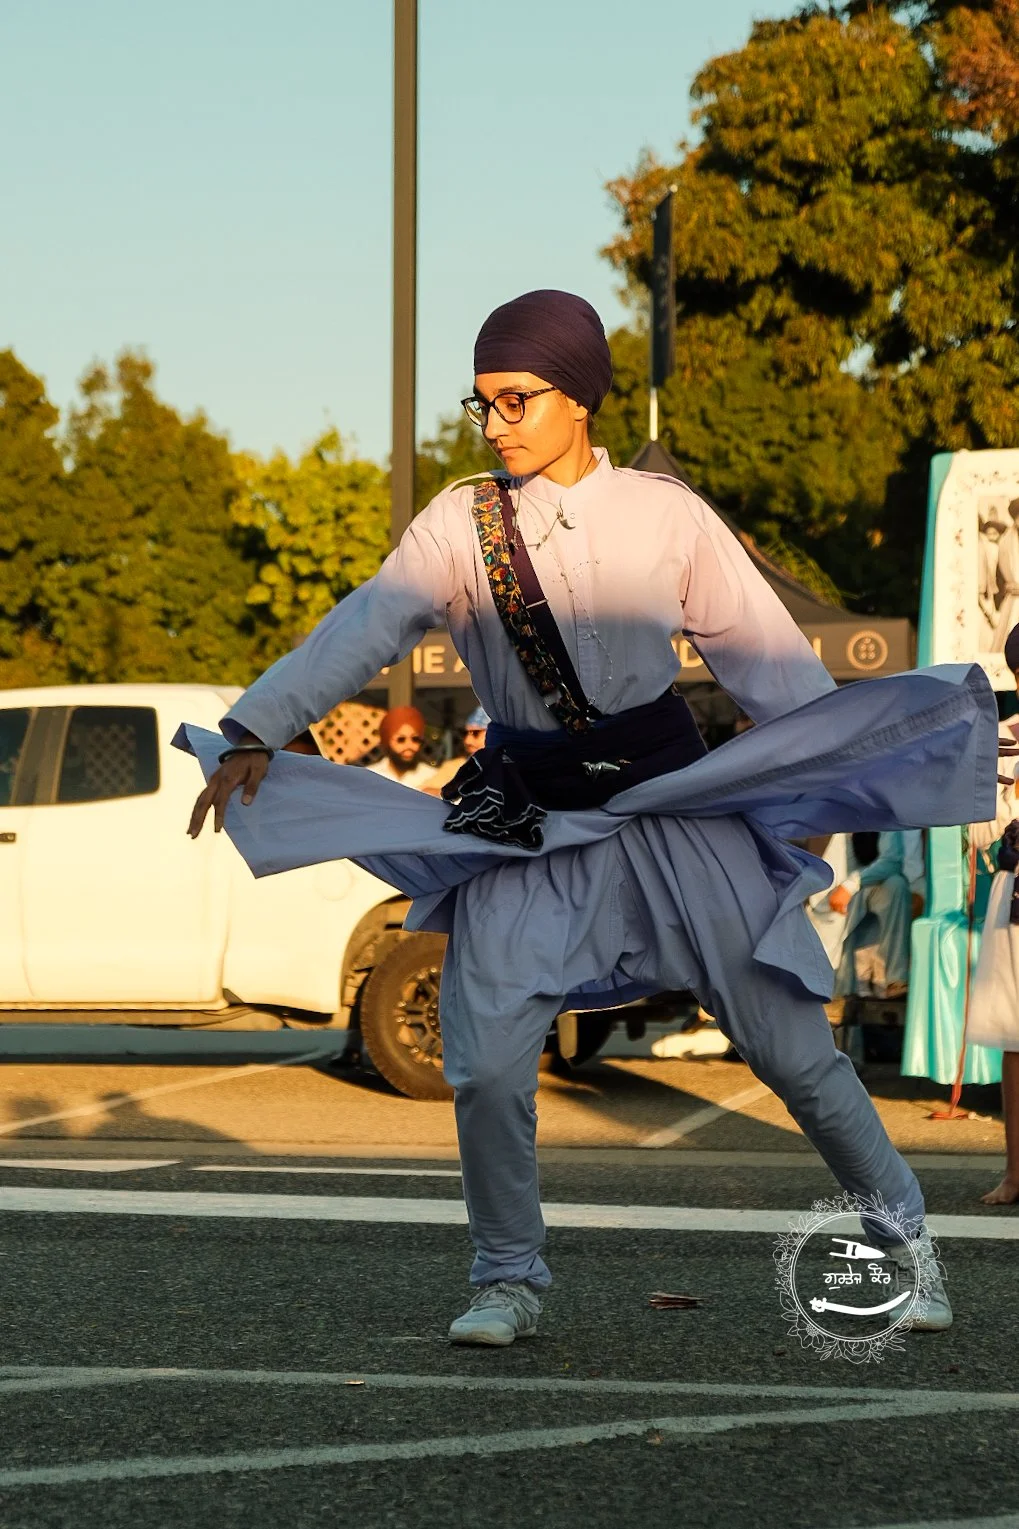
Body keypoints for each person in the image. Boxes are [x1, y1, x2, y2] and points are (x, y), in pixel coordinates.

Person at [183, 288, 997, 1344]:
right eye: (482, 404)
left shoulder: (665, 517)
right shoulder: (457, 522)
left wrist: (812, 800)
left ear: (579, 396)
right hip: (527, 819)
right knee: (480, 1058)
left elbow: (775, 670)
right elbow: (364, 623)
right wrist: (257, 722)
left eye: (516, 398)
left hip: (673, 811)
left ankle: (903, 1242)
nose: (496, 423)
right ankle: (506, 1277)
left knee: (791, 1051)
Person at [966, 625, 1019, 1205]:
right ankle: (1015, 1171)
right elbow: (979, 832)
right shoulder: (1004, 739)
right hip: (1016, 893)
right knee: (1016, 1036)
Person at [827, 831, 924, 1001]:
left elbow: (891, 861)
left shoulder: (887, 816)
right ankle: (842, 993)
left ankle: (896, 980)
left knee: (896, 884)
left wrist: (851, 886)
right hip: (827, 897)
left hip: (862, 889)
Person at [365, 706, 436, 790]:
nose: (409, 746)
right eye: (401, 739)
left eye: (415, 739)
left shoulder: (432, 777)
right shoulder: (370, 777)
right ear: (386, 741)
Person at [426, 705, 490, 795]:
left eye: (476, 733)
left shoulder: (510, 767)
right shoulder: (455, 767)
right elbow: (424, 791)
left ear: (492, 732)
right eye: (464, 733)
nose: (467, 741)